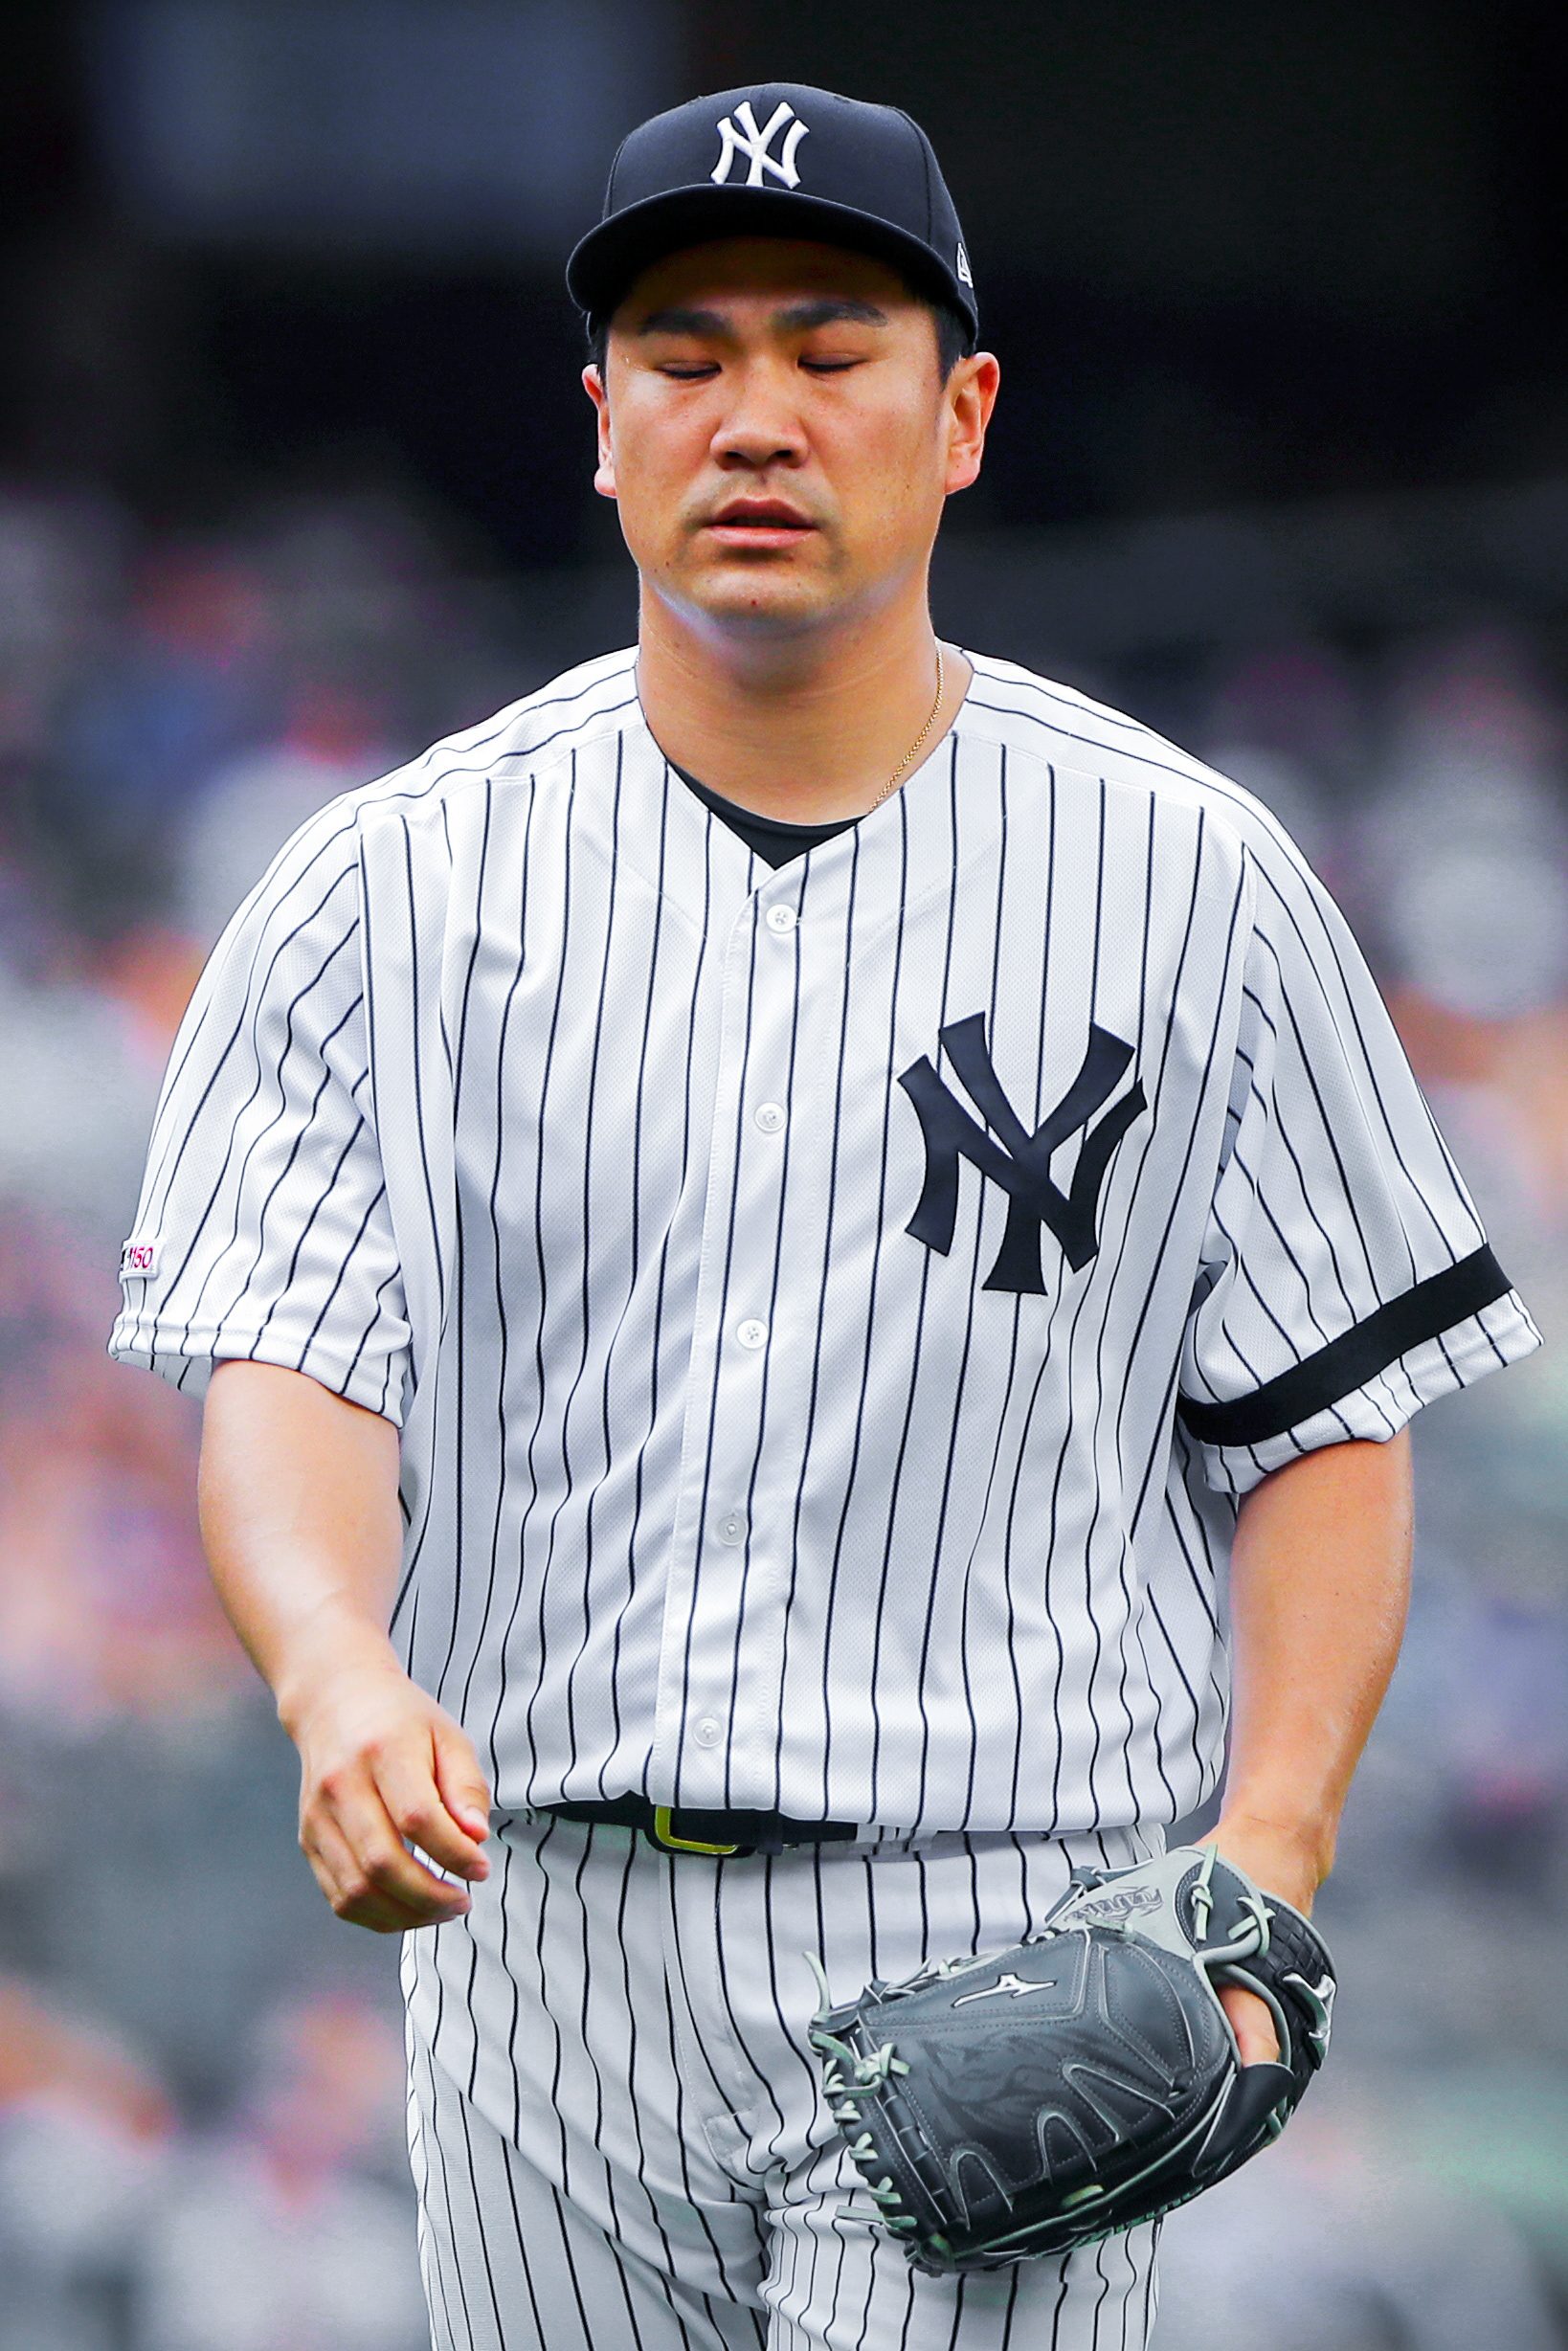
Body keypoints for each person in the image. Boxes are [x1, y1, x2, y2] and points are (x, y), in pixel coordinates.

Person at [109, 83, 1538, 2351]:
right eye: (685, 357)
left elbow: (1321, 1429)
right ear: (600, 426)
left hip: (1009, 1922)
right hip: (543, 1937)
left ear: (961, 412)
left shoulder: (1195, 881)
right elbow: (292, 1369)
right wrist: (333, 1668)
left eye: (826, 345)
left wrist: (1266, 1855)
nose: (752, 413)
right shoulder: (385, 886)